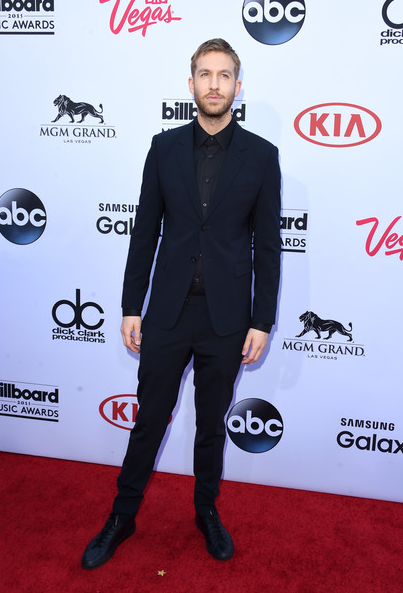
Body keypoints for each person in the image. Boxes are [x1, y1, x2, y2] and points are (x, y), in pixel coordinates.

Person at [82, 38, 281, 569]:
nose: (214, 84)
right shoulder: (163, 147)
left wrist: (262, 320)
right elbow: (144, 231)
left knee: (212, 425)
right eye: (205, 74)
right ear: (190, 84)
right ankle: (122, 516)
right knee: (149, 419)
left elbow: (268, 245)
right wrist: (131, 306)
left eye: (224, 75)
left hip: (227, 319)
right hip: (168, 313)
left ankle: (206, 510)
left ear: (238, 86)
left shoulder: (263, 156)